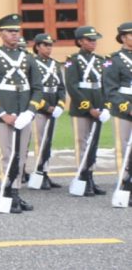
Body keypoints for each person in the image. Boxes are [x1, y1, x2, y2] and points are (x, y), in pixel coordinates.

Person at [0, 14, 41, 213]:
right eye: (9, 31)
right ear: (0, 34)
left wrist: (30, 112)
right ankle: (7, 192)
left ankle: (16, 192)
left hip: (24, 115)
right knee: (7, 155)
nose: (14, 35)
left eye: (16, 31)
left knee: (21, 156)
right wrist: (2, 113)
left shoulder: (28, 58)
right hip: (4, 115)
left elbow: (37, 88)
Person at [65, 25, 109, 196]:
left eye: (94, 40)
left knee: (94, 144)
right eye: (89, 40)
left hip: (98, 105)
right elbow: (72, 87)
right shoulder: (72, 60)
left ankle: (91, 177)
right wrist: (88, 108)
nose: (93, 43)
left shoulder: (100, 60)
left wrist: (103, 106)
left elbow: (105, 85)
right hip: (81, 108)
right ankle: (83, 178)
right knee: (83, 143)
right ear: (80, 41)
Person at [28, 33, 65, 189]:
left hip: (53, 105)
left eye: (50, 45)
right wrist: (45, 106)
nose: (49, 48)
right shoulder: (32, 63)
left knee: (48, 142)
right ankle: (39, 173)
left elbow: (61, 87)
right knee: (40, 142)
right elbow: (31, 88)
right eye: (45, 45)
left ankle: (45, 172)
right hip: (39, 107)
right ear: (37, 47)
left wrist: (60, 105)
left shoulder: (55, 64)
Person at [103, 22, 132, 188]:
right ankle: (124, 183)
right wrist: (127, 108)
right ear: (123, 38)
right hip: (123, 108)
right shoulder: (114, 60)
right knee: (124, 147)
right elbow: (110, 89)